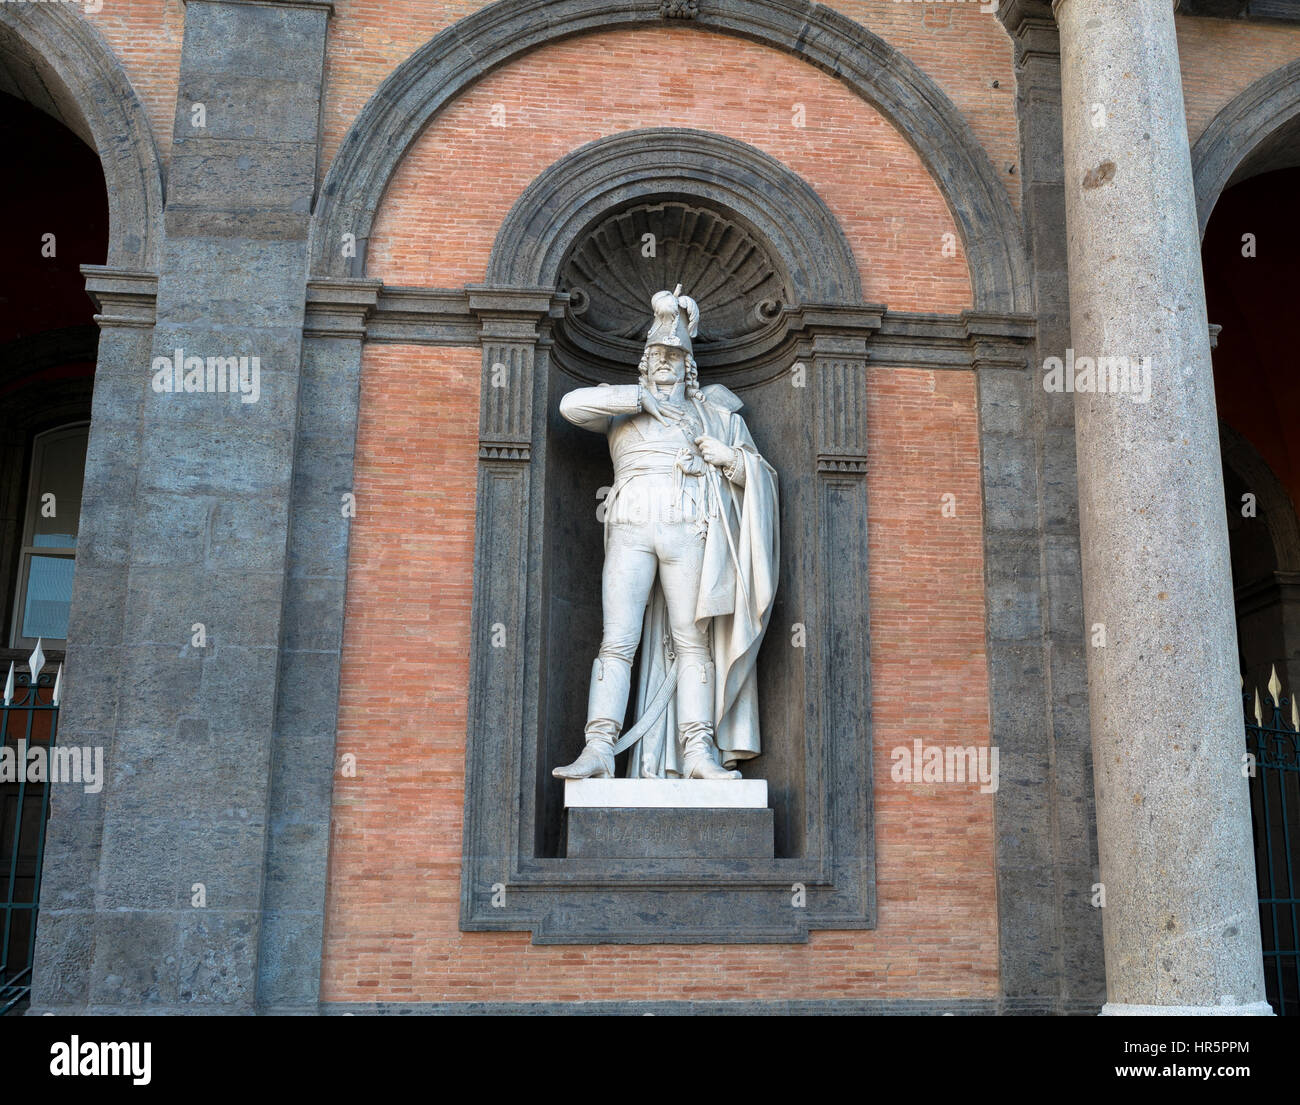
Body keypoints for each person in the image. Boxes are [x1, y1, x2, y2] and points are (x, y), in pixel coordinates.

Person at [553, 287, 779, 781]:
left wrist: (731, 460)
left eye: (674, 357)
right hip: (632, 527)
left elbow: (760, 476)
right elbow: (571, 404)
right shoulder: (621, 409)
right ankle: (599, 746)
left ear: (687, 365)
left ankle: (699, 752)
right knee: (617, 641)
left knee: (692, 642)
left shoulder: (715, 416)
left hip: (689, 530)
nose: (665, 364)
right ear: (644, 364)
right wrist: (638, 398)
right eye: (656, 356)